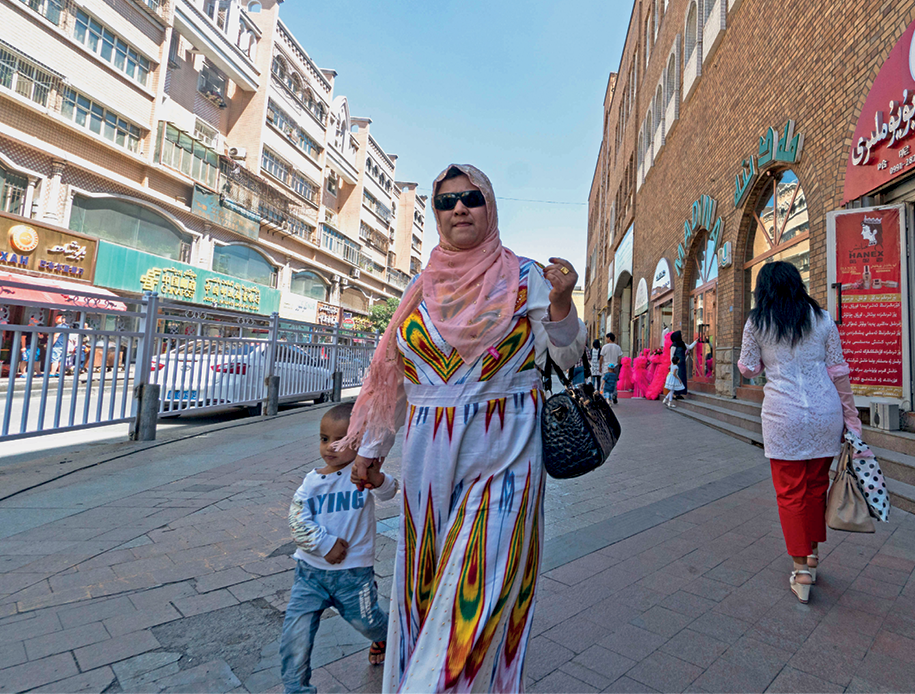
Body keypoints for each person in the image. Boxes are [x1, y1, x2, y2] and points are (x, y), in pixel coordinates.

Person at [338, 164, 586, 693]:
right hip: (429, 459)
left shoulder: (526, 277)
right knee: (425, 586)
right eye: (446, 202)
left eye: (471, 198)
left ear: (489, 207)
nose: (459, 209)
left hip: (507, 453)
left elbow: (567, 351)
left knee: (482, 589)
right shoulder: (419, 288)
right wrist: (373, 448)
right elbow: (394, 378)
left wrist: (563, 303)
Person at [738, 261, 867, 604]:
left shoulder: (757, 322)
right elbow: (839, 371)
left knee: (790, 492)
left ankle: (801, 570)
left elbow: (749, 369)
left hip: (784, 415)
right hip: (826, 413)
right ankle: (811, 553)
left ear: (763, 288)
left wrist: (763, 361)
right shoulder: (823, 319)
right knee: (815, 488)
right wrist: (851, 418)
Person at [280, 402, 399, 694]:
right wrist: (324, 544)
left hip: (354, 575)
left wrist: (376, 478)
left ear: (358, 443)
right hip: (310, 575)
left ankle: (390, 638)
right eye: (324, 439)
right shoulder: (311, 482)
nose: (330, 447)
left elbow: (388, 492)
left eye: (340, 440)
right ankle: (297, 689)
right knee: (295, 635)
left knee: (368, 622)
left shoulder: (360, 474)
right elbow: (296, 518)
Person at [669, 330, 698, 398]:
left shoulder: (682, 343)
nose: (681, 336)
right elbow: (672, 356)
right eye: (680, 335)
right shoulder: (673, 345)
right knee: (676, 378)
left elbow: (690, 347)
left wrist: (696, 341)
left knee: (682, 377)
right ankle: (675, 393)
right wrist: (673, 365)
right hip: (676, 364)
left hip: (682, 364)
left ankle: (680, 393)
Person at [599, 332, 623, 403]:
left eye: (607, 338)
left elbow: (601, 357)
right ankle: (614, 394)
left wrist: (600, 366)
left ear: (609, 338)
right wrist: (618, 366)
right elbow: (619, 358)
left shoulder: (605, 347)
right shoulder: (618, 347)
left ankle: (606, 396)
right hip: (615, 366)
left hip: (606, 367)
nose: (606, 339)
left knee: (605, 381)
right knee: (614, 382)